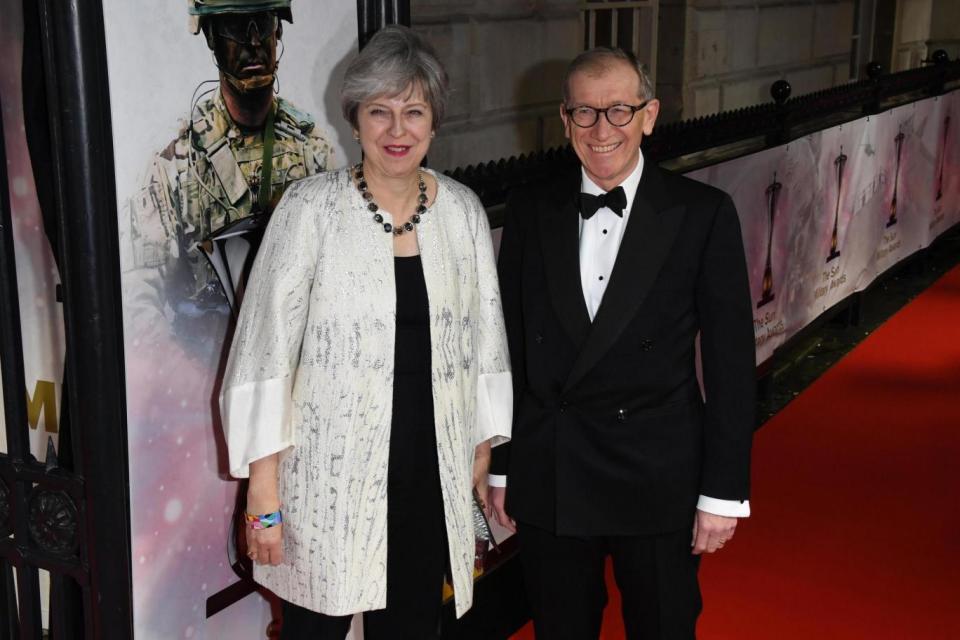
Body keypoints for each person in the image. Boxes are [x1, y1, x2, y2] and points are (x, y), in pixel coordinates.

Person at [219, 25, 512, 639]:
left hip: (430, 475)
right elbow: (263, 354)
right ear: (354, 122)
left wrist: (480, 459)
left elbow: (486, 345)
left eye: (413, 111)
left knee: (411, 626)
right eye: (379, 112)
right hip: (327, 477)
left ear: (434, 122)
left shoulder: (461, 211)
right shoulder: (310, 210)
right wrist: (262, 495)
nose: (397, 130)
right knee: (313, 629)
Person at [489, 47, 756, 639]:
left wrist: (723, 491)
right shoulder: (533, 208)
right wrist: (504, 469)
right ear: (565, 119)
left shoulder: (701, 214)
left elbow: (732, 363)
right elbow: (508, 348)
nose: (601, 129)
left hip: (658, 476)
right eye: (584, 113)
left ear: (650, 114)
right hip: (553, 467)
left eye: (619, 111)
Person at [123, 0, 333, 341]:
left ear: (277, 30)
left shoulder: (311, 151)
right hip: (207, 366)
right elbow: (137, 306)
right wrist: (188, 376)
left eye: (262, 23)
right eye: (236, 26)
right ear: (211, 37)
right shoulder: (176, 165)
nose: (253, 43)